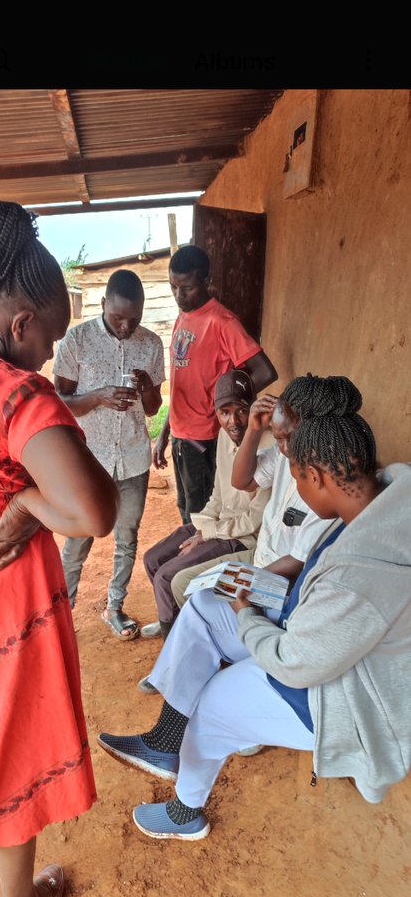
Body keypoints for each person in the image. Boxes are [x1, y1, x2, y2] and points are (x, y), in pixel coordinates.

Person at [97, 374, 411, 841]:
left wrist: (247, 614)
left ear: (316, 476)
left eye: (297, 475)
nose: (292, 482)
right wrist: (249, 598)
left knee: (214, 701)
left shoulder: (360, 573)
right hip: (318, 636)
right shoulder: (377, 501)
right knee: (205, 607)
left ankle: (185, 812)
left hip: (341, 697)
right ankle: (165, 741)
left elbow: (296, 661)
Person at [0, 200, 119, 897]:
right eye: (48, 338)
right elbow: (93, 512)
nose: (49, 355)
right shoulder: (13, 391)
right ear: (21, 324)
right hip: (5, 601)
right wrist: (24, 502)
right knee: (13, 746)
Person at [138, 382, 335, 693]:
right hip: (260, 558)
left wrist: (246, 578)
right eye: (279, 438)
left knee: (190, 589)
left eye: (288, 438)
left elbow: (297, 559)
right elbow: (239, 482)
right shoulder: (282, 456)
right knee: (185, 582)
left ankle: (208, 664)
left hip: (273, 572)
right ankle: (188, 660)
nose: (283, 447)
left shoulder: (323, 484)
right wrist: (254, 430)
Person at [53, 269, 165, 640]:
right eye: (118, 318)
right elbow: (60, 402)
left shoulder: (151, 344)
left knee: (127, 538)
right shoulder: (78, 340)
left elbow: (153, 409)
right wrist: (98, 397)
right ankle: (61, 614)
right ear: (103, 304)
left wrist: (147, 387)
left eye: (135, 318)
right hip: (89, 460)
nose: (126, 326)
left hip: (133, 458)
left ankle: (114, 607)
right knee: (78, 538)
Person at [140, 369, 271, 642]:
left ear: (253, 407)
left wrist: (208, 533)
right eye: (225, 412)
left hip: (243, 538)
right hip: (219, 525)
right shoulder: (224, 436)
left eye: (242, 410)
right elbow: (218, 494)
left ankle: (176, 644)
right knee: (152, 559)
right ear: (216, 413)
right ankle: (173, 618)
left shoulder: (269, 447)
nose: (233, 421)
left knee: (168, 577)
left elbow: (254, 520)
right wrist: (203, 528)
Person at [152, 245, 278, 524]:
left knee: (201, 519)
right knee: (186, 510)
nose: (179, 296)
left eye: (187, 288)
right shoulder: (183, 317)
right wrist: (165, 432)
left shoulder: (223, 322)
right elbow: (183, 380)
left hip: (204, 439)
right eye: (173, 287)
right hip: (181, 436)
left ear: (206, 281)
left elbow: (265, 371)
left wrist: (221, 407)